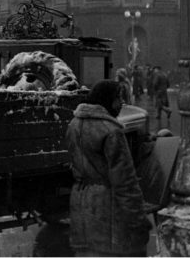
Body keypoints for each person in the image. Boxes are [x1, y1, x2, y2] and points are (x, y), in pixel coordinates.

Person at [65, 80, 152, 257]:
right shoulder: (112, 131)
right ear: (107, 100)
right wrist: (138, 220)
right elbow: (125, 182)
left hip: (81, 202)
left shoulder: (74, 124)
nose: (121, 103)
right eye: (118, 98)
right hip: (107, 207)